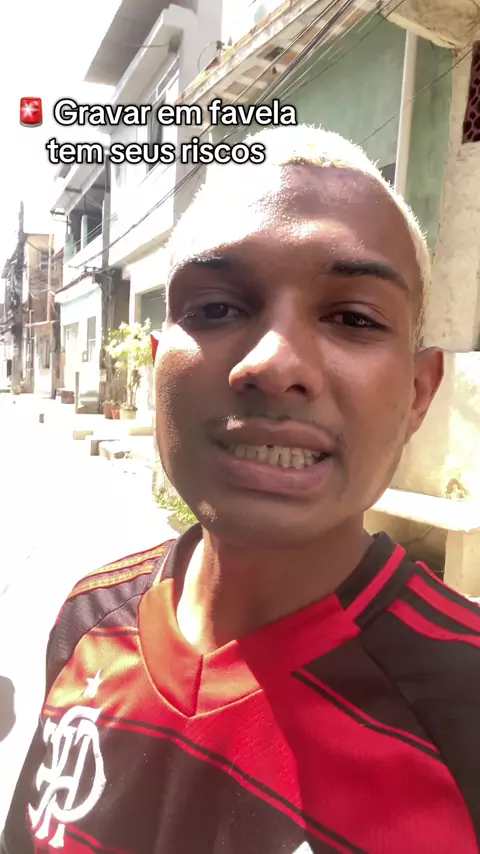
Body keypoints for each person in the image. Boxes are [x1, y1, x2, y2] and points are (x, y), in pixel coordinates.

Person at [2, 125, 479, 854]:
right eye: (217, 309)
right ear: (156, 368)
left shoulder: (463, 702)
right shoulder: (89, 617)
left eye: (353, 317)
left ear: (419, 393)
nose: (274, 363)